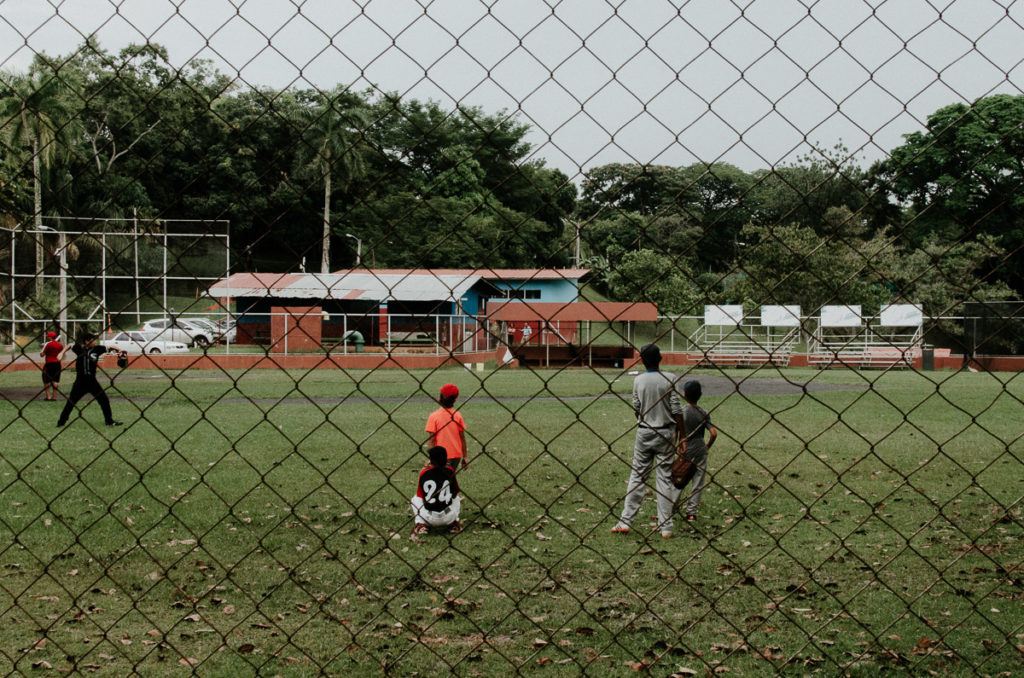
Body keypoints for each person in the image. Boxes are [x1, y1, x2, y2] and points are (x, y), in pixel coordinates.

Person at [612, 343, 684, 539]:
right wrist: (682, 434)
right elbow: (676, 409)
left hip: (644, 431)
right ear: (660, 358)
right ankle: (666, 526)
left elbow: (636, 406)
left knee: (637, 476)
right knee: (664, 479)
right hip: (666, 432)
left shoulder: (639, 381)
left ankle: (625, 521)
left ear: (642, 360)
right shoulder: (669, 379)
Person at [57, 332, 126, 427]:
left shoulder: (97, 349)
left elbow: (110, 347)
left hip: (92, 381)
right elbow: (69, 345)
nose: (94, 342)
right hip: (80, 381)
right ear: (87, 341)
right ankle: (61, 423)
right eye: (92, 340)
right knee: (71, 402)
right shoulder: (79, 349)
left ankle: (109, 421)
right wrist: (61, 352)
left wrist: (120, 350)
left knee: (104, 400)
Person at [676, 380, 717, 523]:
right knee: (698, 482)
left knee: (679, 479)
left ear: (684, 394)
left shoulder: (681, 412)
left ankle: (670, 508)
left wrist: (678, 446)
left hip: (686, 449)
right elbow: (713, 433)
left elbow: (676, 432)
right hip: (700, 449)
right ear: (700, 394)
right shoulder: (704, 412)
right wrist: (707, 446)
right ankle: (691, 513)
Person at [410, 445, 463, 541]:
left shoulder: (424, 472)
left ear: (432, 460)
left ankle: (421, 524)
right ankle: (455, 523)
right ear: (446, 459)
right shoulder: (450, 471)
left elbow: (420, 495)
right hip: (448, 517)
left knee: (415, 498)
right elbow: (455, 491)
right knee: (457, 497)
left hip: (429, 518)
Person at [426, 383, 468, 468]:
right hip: (456, 455)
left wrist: (431, 458)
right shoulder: (457, 415)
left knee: (442, 479)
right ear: (455, 400)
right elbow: (462, 437)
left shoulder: (434, 416)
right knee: (450, 477)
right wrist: (465, 457)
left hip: (441, 456)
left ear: (440, 397)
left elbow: (432, 440)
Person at [39, 331, 64, 401]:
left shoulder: (48, 344)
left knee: (46, 380)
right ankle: (54, 397)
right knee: (55, 380)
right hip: (57, 364)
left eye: (48, 337)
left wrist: (42, 351)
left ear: (50, 337)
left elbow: (42, 355)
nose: (47, 338)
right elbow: (61, 354)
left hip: (49, 363)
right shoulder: (60, 345)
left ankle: (48, 396)